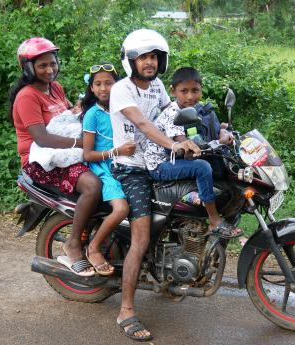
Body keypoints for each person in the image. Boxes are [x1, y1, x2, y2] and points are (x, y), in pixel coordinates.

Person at [109, 29, 200, 342]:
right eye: (143, 57)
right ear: (131, 60)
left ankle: (170, 266)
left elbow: (171, 116)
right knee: (141, 236)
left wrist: (188, 138)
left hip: (156, 162)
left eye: (154, 57)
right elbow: (145, 125)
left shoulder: (159, 86)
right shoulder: (121, 90)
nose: (149, 62)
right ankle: (126, 310)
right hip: (131, 169)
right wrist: (173, 146)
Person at [9, 37, 100, 277]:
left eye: (53, 64)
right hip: (40, 161)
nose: (50, 70)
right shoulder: (27, 96)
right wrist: (82, 143)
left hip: (65, 152)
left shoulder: (55, 87)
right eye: (43, 66)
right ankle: (72, 244)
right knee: (92, 185)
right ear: (28, 68)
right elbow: (42, 139)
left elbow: (68, 116)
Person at [144, 66, 244, 239]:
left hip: (174, 158)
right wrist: (218, 142)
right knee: (202, 167)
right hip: (160, 163)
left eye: (195, 91)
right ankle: (214, 220)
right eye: (184, 91)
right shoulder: (173, 113)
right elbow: (186, 145)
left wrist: (222, 130)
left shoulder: (198, 109)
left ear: (201, 90)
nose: (190, 96)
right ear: (173, 91)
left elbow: (203, 133)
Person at [81, 63, 136, 275]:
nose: (104, 88)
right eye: (98, 84)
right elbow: (87, 154)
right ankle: (93, 248)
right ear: (92, 88)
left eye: (109, 83)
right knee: (121, 209)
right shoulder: (92, 115)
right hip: (103, 167)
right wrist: (117, 151)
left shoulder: (122, 110)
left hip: (125, 164)